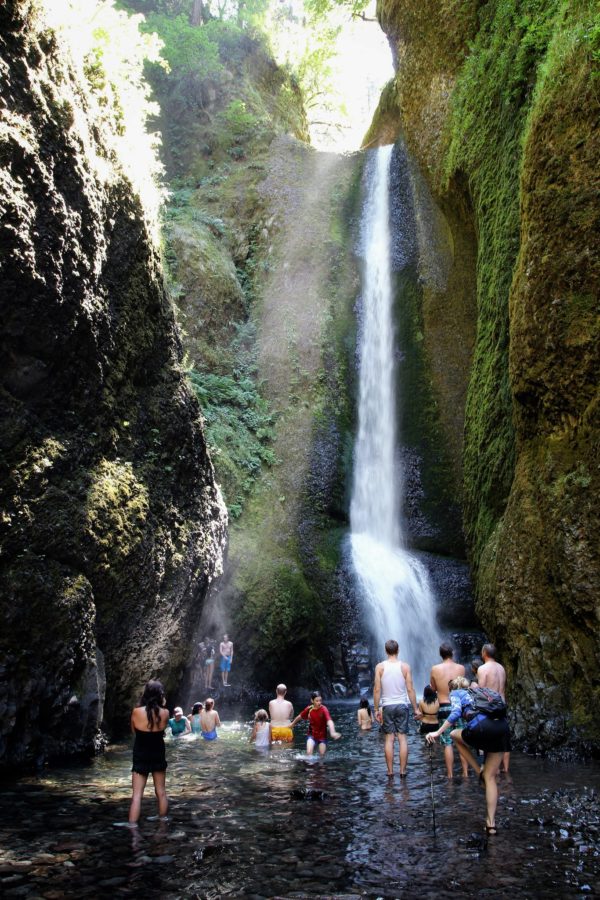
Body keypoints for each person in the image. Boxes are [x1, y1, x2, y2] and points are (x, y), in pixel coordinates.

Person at [426, 675, 511, 835]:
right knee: (491, 778)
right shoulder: (480, 693)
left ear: (452, 688)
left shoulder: (456, 694)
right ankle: (491, 824)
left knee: (453, 735)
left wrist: (438, 732)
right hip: (502, 728)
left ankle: (478, 771)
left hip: (482, 728)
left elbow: (456, 712)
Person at [373, 639, 422, 778]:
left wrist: (376, 709)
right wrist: (416, 708)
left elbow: (377, 689)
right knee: (402, 739)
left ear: (385, 650)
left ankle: (389, 772)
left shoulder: (380, 667)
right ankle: (402, 771)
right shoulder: (405, 667)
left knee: (389, 739)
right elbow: (410, 689)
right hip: (402, 705)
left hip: (387, 706)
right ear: (398, 650)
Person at [128, 680, 170, 826]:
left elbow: (133, 732)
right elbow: (163, 730)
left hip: (141, 754)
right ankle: (163, 826)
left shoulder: (136, 712)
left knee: (137, 796)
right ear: (160, 695)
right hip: (158, 753)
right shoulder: (165, 712)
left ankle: (133, 830)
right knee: (161, 792)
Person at [429, 642, 468, 778]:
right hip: (459, 707)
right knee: (462, 740)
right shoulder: (461, 668)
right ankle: (465, 772)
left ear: (440, 654)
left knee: (447, 743)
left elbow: (433, 688)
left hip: (444, 706)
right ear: (453, 653)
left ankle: (450, 775)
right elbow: (463, 686)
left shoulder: (435, 669)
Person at [478, 643, 510, 774]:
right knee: (502, 738)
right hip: (501, 705)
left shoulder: (483, 669)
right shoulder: (501, 668)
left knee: (488, 738)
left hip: (489, 707)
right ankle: (505, 770)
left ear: (484, 653)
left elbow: (481, 691)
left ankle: (491, 770)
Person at [291, 691, 341, 756]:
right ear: (312, 701)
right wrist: (292, 724)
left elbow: (329, 721)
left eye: (320, 700)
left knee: (322, 755)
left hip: (322, 736)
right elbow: (300, 716)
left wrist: (333, 732)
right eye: (317, 701)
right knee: (309, 753)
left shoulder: (324, 709)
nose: (319, 703)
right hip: (311, 735)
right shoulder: (309, 709)